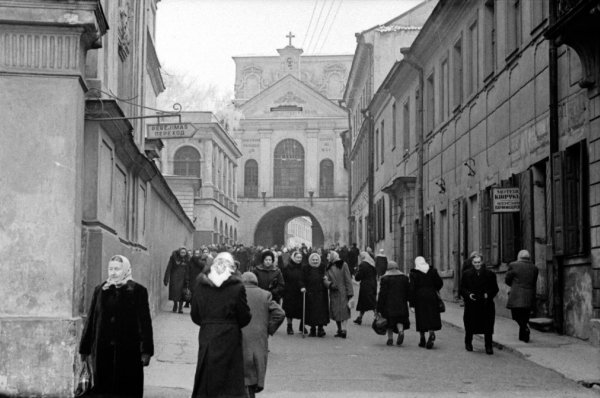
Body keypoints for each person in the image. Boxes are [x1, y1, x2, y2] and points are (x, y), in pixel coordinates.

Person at [79, 255, 153, 398]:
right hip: (102, 352)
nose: (113, 272)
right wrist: (85, 348)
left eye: (117, 269)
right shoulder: (100, 290)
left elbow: (145, 323)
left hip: (129, 353)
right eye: (110, 269)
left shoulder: (138, 291)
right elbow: (91, 320)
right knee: (102, 390)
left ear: (125, 269)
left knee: (127, 389)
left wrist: (146, 351)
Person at [190, 252, 251, 398]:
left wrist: (208, 323)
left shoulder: (200, 285)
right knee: (230, 378)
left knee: (206, 373)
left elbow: (195, 315)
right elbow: (245, 316)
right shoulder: (237, 287)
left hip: (207, 333)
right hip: (230, 335)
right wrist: (231, 324)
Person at [241, 272, 285, 398]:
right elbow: (280, 313)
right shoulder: (265, 294)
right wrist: (268, 329)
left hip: (240, 336)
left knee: (242, 373)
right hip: (259, 338)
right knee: (255, 370)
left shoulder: (236, 293)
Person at [460, 254, 499, 355]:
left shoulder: (490, 274)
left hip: (486, 304)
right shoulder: (466, 274)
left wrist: (488, 294)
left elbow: (495, 288)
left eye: (479, 262)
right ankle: (468, 343)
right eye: (475, 262)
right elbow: (462, 288)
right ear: (472, 263)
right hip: (472, 304)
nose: (477, 264)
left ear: (482, 262)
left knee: (488, 326)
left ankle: (488, 346)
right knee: (470, 324)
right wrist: (468, 295)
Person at [409, 256, 443, 349]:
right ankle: (431, 333)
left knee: (421, 317)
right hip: (432, 296)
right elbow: (439, 283)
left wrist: (411, 304)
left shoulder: (414, 273)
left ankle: (422, 338)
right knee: (431, 316)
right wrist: (434, 289)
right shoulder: (433, 271)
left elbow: (411, 289)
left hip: (419, 297)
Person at [505, 250, 539, 342]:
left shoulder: (513, 265)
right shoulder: (534, 268)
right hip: (529, 295)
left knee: (516, 315)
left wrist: (514, 285)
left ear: (519, 257)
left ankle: (525, 327)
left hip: (516, 295)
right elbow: (534, 281)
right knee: (525, 315)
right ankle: (524, 336)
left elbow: (507, 279)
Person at [377, 261, 410, 346]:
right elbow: (408, 291)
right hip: (401, 303)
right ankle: (401, 331)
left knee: (389, 321)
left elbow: (382, 294)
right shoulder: (404, 278)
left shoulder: (385, 279)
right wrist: (408, 301)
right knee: (400, 319)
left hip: (388, 304)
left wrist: (379, 307)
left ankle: (390, 338)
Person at [325, 250, 353, 338]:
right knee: (335, 311)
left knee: (344, 311)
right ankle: (339, 329)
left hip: (343, 291)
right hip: (333, 291)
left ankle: (344, 330)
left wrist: (350, 293)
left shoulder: (343, 265)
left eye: (329, 256)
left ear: (333, 256)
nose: (327, 257)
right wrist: (329, 284)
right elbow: (325, 279)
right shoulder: (328, 267)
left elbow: (348, 279)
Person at [303, 252, 330, 337]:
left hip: (321, 292)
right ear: (310, 260)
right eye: (313, 260)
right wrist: (303, 287)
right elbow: (302, 279)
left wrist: (326, 277)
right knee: (312, 311)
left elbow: (327, 275)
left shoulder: (322, 267)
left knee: (321, 311)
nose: (315, 261)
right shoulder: (306, 268)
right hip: (310, 292)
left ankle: (321, 328)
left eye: (316, 259)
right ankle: (313, 329)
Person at [282, 250, 306, 335]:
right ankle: (289, 326)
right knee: (289, 310)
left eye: (300, 258)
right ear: (293, 257)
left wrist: (303, 286)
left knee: (302, 308)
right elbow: (283, 279)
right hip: (289, 291)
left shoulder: (303, 267)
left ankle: (302, 325)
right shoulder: (287, 267)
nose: (299, 259)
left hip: (300, 291)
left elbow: (305, 279)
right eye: (297, 257)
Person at [353, 251, 377, 326]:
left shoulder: (363, 264)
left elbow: (358, 277)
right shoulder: (372, 263)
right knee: (364, 302)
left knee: (371, 302)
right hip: (373, 284)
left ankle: (378, 317)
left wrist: (356, 274)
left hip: (366, 285)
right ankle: (359, 318)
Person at [164, 247, 189, 313]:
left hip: (183, 278)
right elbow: (169, 268)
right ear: (179, 252)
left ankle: (180, 308)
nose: (183, 254)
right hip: (174, 277)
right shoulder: (173, 258)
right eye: (182, 252)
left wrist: (188, 279)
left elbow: (189, 269)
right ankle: (175, 304)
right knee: (174, 292)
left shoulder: (187, 259)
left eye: (184, 252)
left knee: (182, 293)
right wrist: (166, 278)